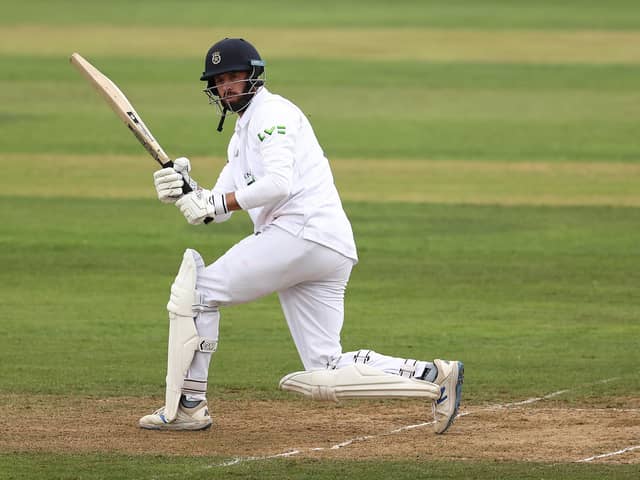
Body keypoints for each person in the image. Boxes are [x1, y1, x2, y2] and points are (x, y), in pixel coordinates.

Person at [139, 38, 464, 434]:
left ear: (254, 76)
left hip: (300, 233)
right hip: (324, 245)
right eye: (220, 80)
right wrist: (188, 190)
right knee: (326, 365)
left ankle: (189, 405)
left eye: (234, 77)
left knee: (199, 293)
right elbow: (214, 210)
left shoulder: (271, 114)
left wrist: (216, 203)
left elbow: (276, 183)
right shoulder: (241, 135)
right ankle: (435, 376)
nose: (227, 87)